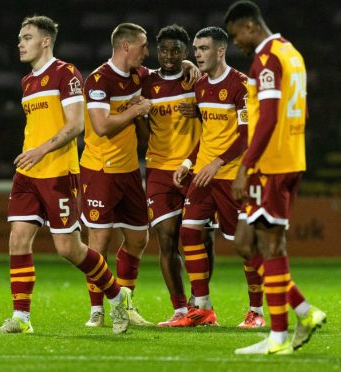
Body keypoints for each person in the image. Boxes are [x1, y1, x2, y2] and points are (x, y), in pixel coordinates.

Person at [0, 15, 132, 335]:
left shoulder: (66, 74)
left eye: (26, 37)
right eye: (19, 38)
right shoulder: (27, 82)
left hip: (58, 173)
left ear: (45, 41)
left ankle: (116, 294)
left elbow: (76, 125)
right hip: (27, 174)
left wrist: (42, 150)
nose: (20, 43)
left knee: (69, 250)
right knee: (18, 240)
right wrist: (32, 154)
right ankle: (21, 318)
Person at [225, 1, 326, 354]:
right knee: (255, 244)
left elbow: (267, 117)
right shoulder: (291, 53)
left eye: (236, 34)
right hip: (291, 158)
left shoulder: (266, 58)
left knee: (269, 246)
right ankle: (301, 313)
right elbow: (303, 108)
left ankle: (280, 336)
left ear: (250, 25)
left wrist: (245, 165)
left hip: (271, 164)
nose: (237, 42)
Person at [172, 26, 264, 328]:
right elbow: (209, 135)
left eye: (203, 49)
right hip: (202, 176)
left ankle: (257, 312)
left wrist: (218, 162)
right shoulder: (200, 87)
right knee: (188, 233)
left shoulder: (240, 85)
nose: (197, 54)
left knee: (244, 245)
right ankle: (202, 307)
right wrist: (189, 161)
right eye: (196, 49)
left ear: (220, 51)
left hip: (230, 176)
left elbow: (246, 134)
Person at [78, 23, 154, 328]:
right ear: (126, 46)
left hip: (129, 171)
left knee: (138, 239)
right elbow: (101, 127)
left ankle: (125, 304)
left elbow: (163, 76)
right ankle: (97, 309)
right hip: (100, 169)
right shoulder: (99, 80)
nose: (147, 52)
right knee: (100, 240)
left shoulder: (139, 74)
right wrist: (135, 111)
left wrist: (187, 65)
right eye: (143, 46)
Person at [139, 24, 207, 326]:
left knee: (202, 239)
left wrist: (202, 111)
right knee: (166, 240)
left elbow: (221, 117)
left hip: (194, 169)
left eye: (177, 50)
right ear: (157, 50)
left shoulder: (198, 81)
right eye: (164, 49)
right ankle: (180, 309)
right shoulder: (146, 83)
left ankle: (199, 304)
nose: (169, 55)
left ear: (186, 51)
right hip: (159, 170)